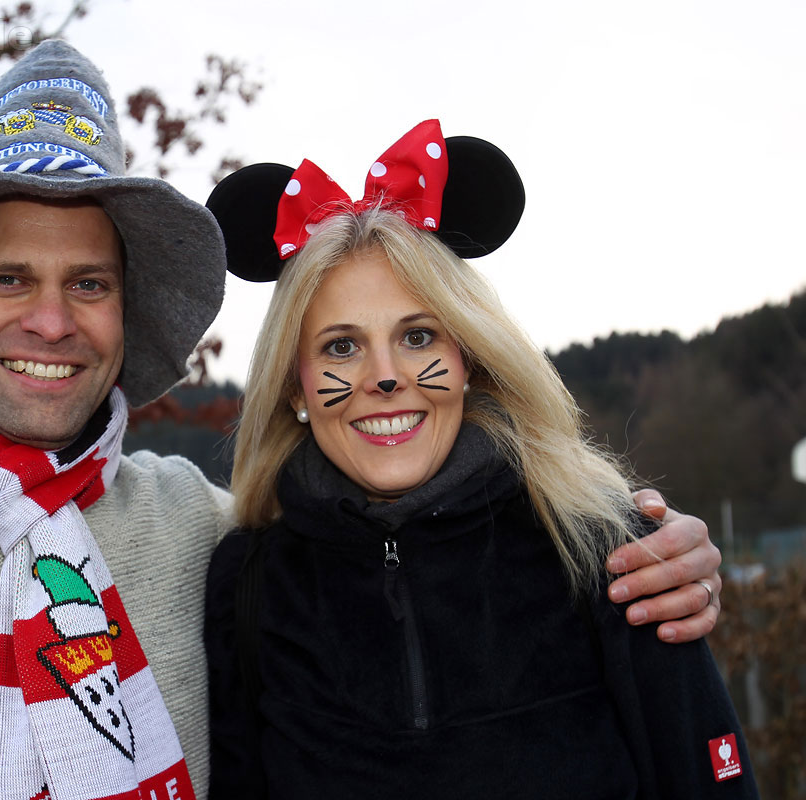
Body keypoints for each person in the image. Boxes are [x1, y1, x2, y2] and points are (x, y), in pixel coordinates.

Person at [0, 42, 719, 799]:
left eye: (89, 284)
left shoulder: (206, 538)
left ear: (127, 313)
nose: (51, 320)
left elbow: (400, 540)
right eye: (8, 278)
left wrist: (651, 545)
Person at [203, 121, 756, 798]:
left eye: (418, 336)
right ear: (294, 386)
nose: (385, 376)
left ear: (469, 358)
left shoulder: (608, 553)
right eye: (341, 347)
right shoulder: (247, 587)